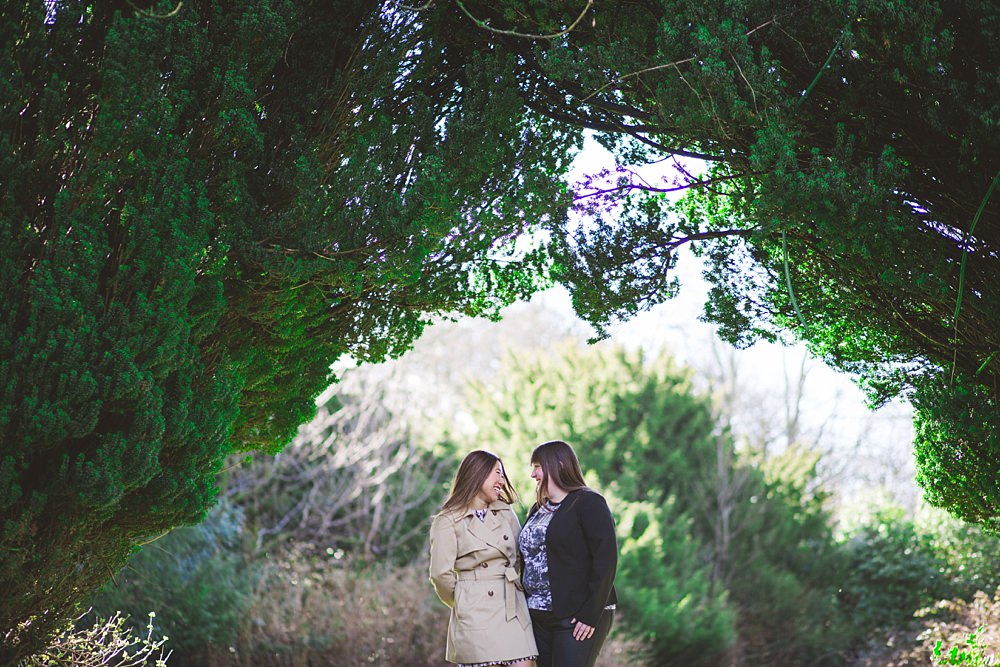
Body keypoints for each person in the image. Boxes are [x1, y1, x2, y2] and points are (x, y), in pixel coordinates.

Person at [429, 450, 538, 667]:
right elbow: (440, 575)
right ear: (478, 474)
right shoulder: (448, 520)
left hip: (512, 607)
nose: (502, 481)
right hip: (476, 610)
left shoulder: (505, 512)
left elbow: (518, 557)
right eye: (497, 473)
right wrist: (465, 598)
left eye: (503, 474)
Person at [518, 440, 617, 667]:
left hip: (576, 617)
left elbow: (606, 559)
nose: (533, 474)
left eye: (537, 466)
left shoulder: (588, 502)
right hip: (537, 614)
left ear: (559, 465)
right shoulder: (537, 509)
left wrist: (590, 614)